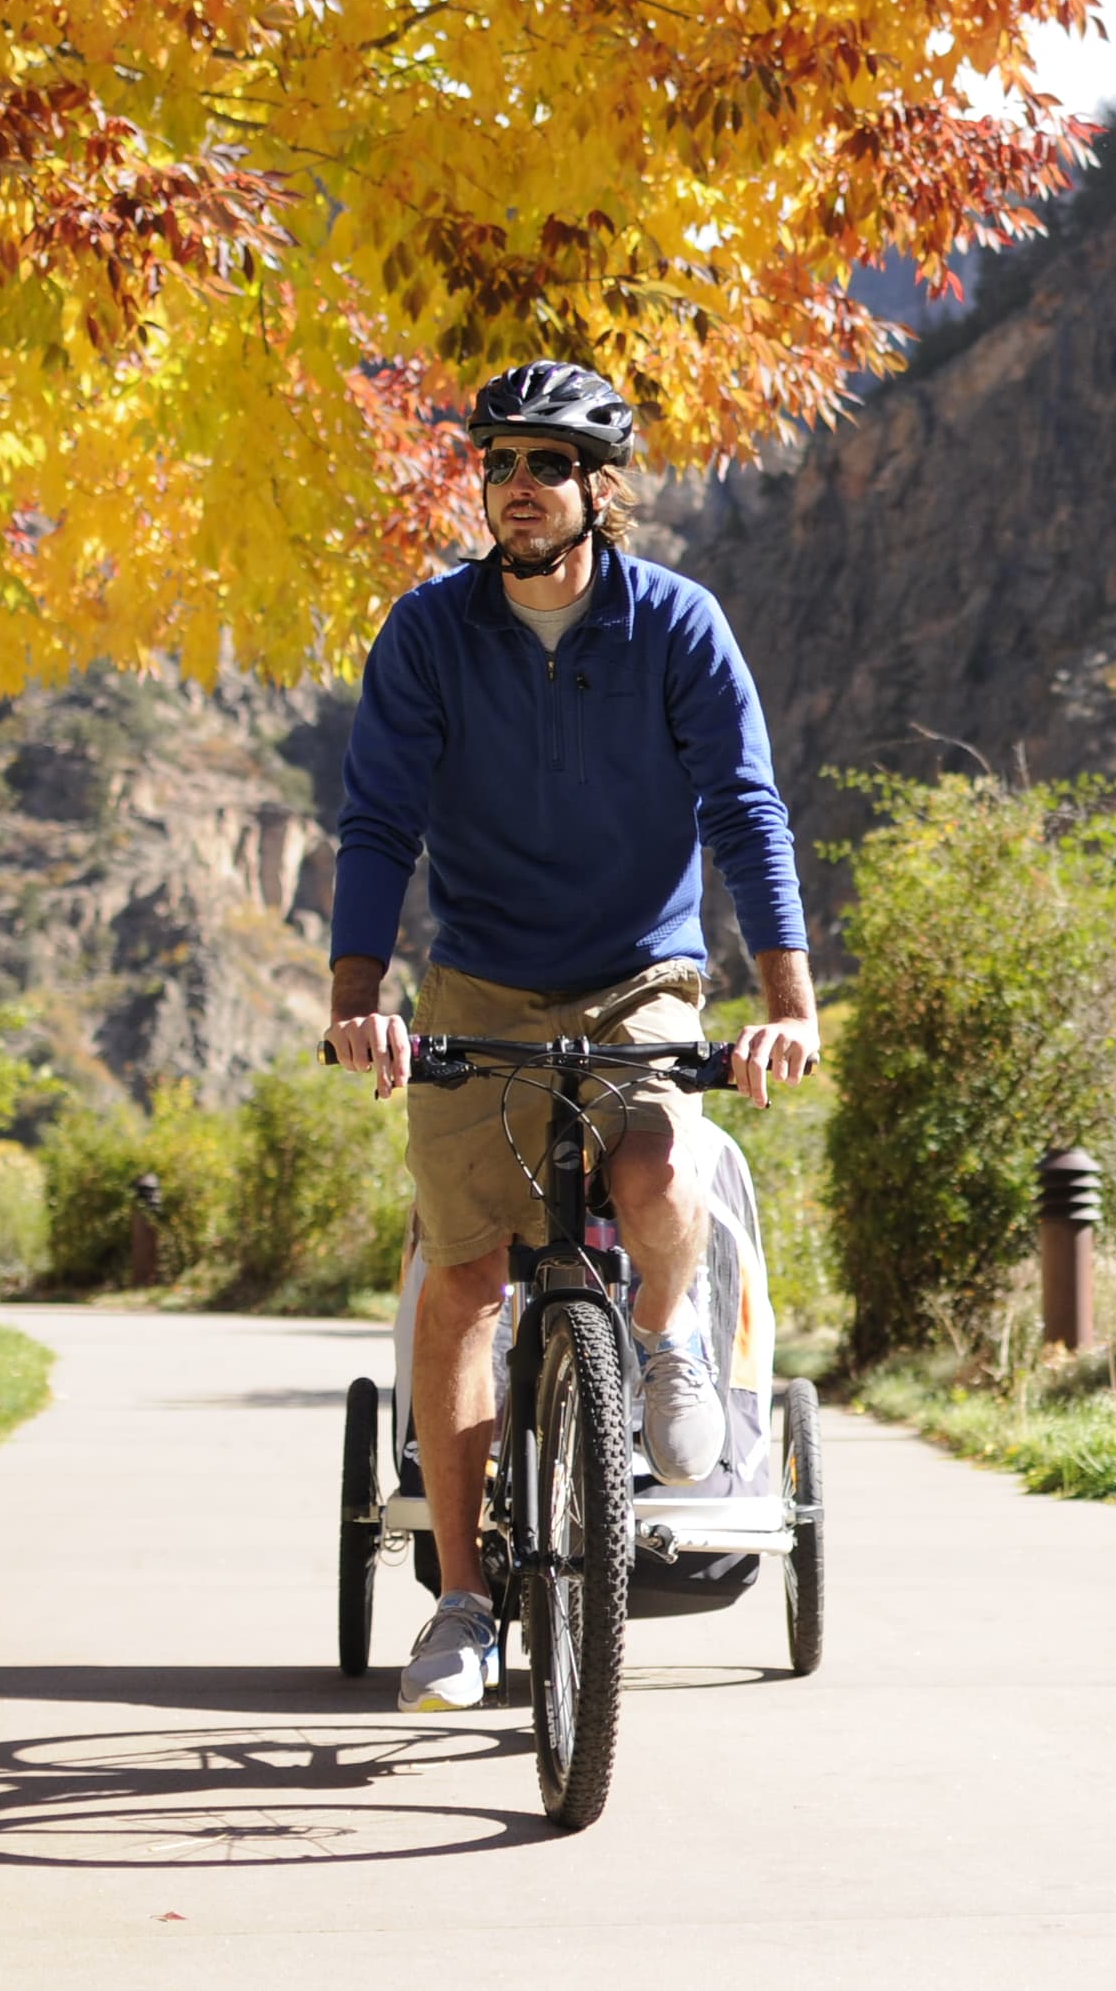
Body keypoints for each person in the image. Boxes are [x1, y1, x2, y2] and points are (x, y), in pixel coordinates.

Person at [324, 360, 820, 1715]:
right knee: (464, 1283)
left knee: (659, 1170)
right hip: (478, 984)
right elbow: (378, 823)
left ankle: (663, 1339)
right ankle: (462, 1603)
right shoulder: (428, 633)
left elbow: (746, 812)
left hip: (639, 975)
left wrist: (789, 1005)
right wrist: (359, 1002)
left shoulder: (677, 624)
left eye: (547, 463)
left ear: (602, 489)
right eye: (499, 463)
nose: (517, 485)